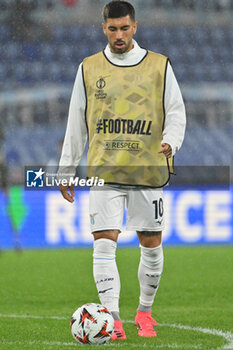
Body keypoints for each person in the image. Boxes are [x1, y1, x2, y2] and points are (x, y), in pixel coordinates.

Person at [58, 0, 186, 340]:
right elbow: (77, 121)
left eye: (124, 28)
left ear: (135, 26)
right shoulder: (88, 68)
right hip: (104, 170)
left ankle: (144, 312)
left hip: (147, 169)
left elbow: (175, 111)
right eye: (112, 28)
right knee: (104, 242)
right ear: (104, 28)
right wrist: (65, 168)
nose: (119, 34)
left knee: (151, 244)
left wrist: (171, 141)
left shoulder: (159, 65)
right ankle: (112, 320)